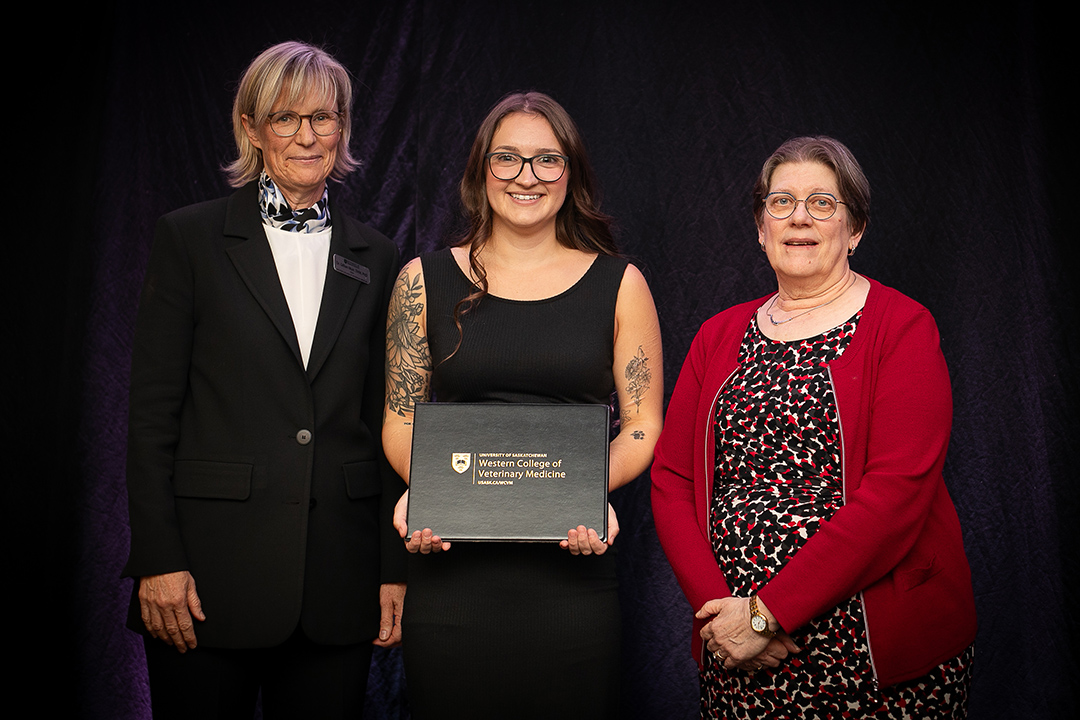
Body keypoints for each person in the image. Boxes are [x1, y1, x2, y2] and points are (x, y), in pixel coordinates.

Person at [122, 41, 405, 718]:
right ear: (251, 128)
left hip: (337, 582)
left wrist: (394, 566)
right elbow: (151, 413)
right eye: (285, 118)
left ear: (343, 128)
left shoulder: (379, 254)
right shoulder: (188, 240)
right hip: (203, 581)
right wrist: (156, 559)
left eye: (324, 118)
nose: (308, 136)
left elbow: (391, 417)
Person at [651, 136, 976, 718]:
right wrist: (720, 616)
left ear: (855, 230)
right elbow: (672, 480)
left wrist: (766, 613)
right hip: (739, 651)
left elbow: (896, 496)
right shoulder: (717, 335)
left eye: (823, 202)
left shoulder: (902, 327)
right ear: (760, 227)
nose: (799, 217)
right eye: (781, 202)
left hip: (868, 650)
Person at [381, 91, 663, 718]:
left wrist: (585, 490)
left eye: (547, 160)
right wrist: (429, 490)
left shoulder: (622, 285)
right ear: (481, 170)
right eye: (507, 158)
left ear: (573, 172)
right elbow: (401, 422)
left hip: (573, 578)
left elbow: (644, 427)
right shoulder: (420, 281)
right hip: (451, 578)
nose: (526, 177)